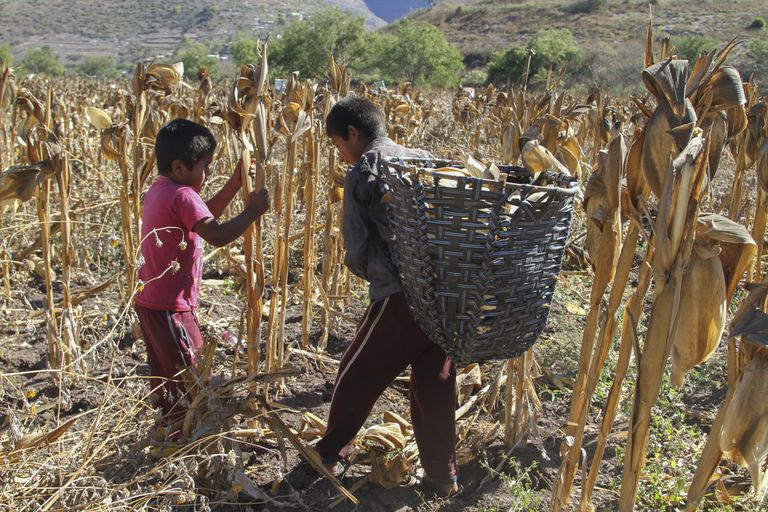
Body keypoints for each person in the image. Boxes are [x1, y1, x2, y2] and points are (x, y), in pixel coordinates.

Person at [314, 96, 461, 497]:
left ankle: (328, 453)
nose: (341, 154)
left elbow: (358, 249)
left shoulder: (363, 171)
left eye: (338, 144)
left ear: (353, 134)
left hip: (399, 296)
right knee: (436, 378)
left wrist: (376, 277)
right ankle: (442, 476)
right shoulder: (426, 159)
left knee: (356, 371)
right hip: (442, 296)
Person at [134, 118, 269, 434]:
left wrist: (235, 185)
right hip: (172, 309)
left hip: (151, 303)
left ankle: (171, 430)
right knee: (194, 375)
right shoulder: (182, 194)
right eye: (205, 166)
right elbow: (217, 235)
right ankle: (189, 437)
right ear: (180, 167)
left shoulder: (161, 189)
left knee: (167, 375)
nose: (206, 174)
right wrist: (253, 211)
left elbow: (201, 216)